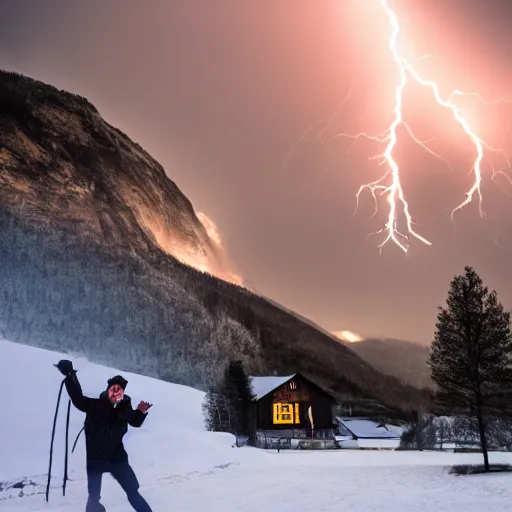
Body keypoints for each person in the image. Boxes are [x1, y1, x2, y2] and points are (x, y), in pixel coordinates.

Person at [55, 359, 153, 512]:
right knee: (93, 498)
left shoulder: (124, 409)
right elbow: (78, 399)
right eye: (114, 388)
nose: (116, 392)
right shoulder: (94, 406)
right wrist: (69, 376)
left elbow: (135, 421)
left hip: (117, 459)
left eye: (120, 390)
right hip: (95, 459)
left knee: (133, 492)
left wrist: (140, 412)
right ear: (108, 390)